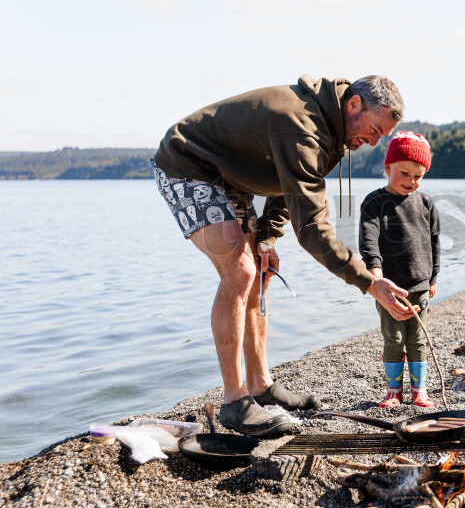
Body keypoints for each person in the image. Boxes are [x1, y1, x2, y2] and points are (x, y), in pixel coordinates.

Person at [152, 75, 416, 437]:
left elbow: (286, 182)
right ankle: (233, 402)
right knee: (240, 272)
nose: (373, 142)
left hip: (229, 178)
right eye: (374, 129)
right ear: (353, 104)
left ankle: (260, 386)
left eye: (381, 136)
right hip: (187, 166)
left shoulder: (333, 131)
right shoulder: (302, 126)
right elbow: (311, 227)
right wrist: (368, 281)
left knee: (260, 272)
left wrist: (269, 237)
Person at [358, 132, 440, 408]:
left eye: (418, 176)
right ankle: (394, 391)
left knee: (417, 339)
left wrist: (434, 277)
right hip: (389, 288)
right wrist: (375, 272)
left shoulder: (426, 204)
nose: (411, 181)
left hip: (419, 285)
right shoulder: (374, 203)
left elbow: (434, 241)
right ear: (387, 168)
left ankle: (420, 390)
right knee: (393, 338)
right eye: (404, 173)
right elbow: (368, 240)